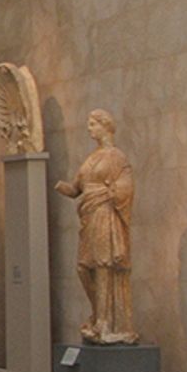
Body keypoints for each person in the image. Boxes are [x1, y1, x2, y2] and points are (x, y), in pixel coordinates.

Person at [54, 109, 137, 344]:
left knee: (103, 265)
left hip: (105, 213)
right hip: (89, 214)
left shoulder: (116, 157)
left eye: (93, 124)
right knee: (84, 268)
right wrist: (61, 187)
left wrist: (111, 192)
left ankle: (106, 322)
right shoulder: (91, 158)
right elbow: (76, 189)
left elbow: (126, 186)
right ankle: (98, 313)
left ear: (105, 126)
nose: (89, 128)